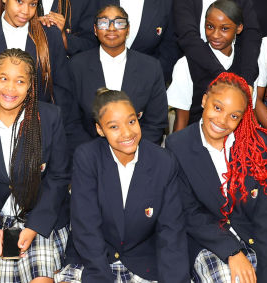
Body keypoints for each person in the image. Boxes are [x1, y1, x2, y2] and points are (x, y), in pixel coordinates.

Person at [0, 49, 70, 283]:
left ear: (30, 86)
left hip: (39, 217)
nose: (10, 88)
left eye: (20, 81)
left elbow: (58, 178)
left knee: (42, 278)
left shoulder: (49, 118)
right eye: (3, 78)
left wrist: (34, 227)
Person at [166, 72, 267, 282]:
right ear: (204, 100)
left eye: (234, 116)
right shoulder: (177, 146)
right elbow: (189, 213)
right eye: (217, 107)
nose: (222, 120)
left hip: (256, 234)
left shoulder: (259, 147)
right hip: (208, 239)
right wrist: (232, 252)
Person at [55, 89, 187, 283]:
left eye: (131, 121)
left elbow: (171, 231)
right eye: (114, 127)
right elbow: (86, 226)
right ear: (100, 130)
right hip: (92, 260)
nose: (127, 132)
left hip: (144, 261)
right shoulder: (87, 157)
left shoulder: (163, 161)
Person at [66, 5, 168, 147]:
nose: (112, 28)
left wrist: (132, 152)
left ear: (128, 29)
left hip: (138, 153)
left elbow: (155, 124)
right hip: (89, 156)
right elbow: (71, 122)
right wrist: (95, 156)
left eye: (119, 23)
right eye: (104, 23)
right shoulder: (77, 65)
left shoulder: (151, 67)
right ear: (95, 30)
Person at [168, 0, 259, 130]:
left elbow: (251, 114)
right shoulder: (186, 64)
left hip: (236, 141)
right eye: (210, 26)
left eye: (224, 28)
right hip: (197, 139)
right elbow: (181, 119)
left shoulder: (247, 62)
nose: (215, 35)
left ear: (239, 28)